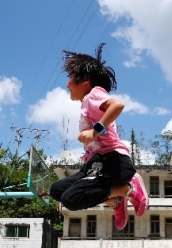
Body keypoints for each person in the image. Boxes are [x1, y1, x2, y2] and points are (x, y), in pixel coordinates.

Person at [49, 43, 148, 230]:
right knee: (58, 191)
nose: (66, 83)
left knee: (71, 199)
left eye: (70, 77)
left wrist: (94, 131)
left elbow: (117, 106)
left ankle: (129, 187)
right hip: (95, 163)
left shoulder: (93, 95)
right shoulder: (86, 103)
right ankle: (116, 202)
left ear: (85, 79)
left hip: (112, 161)